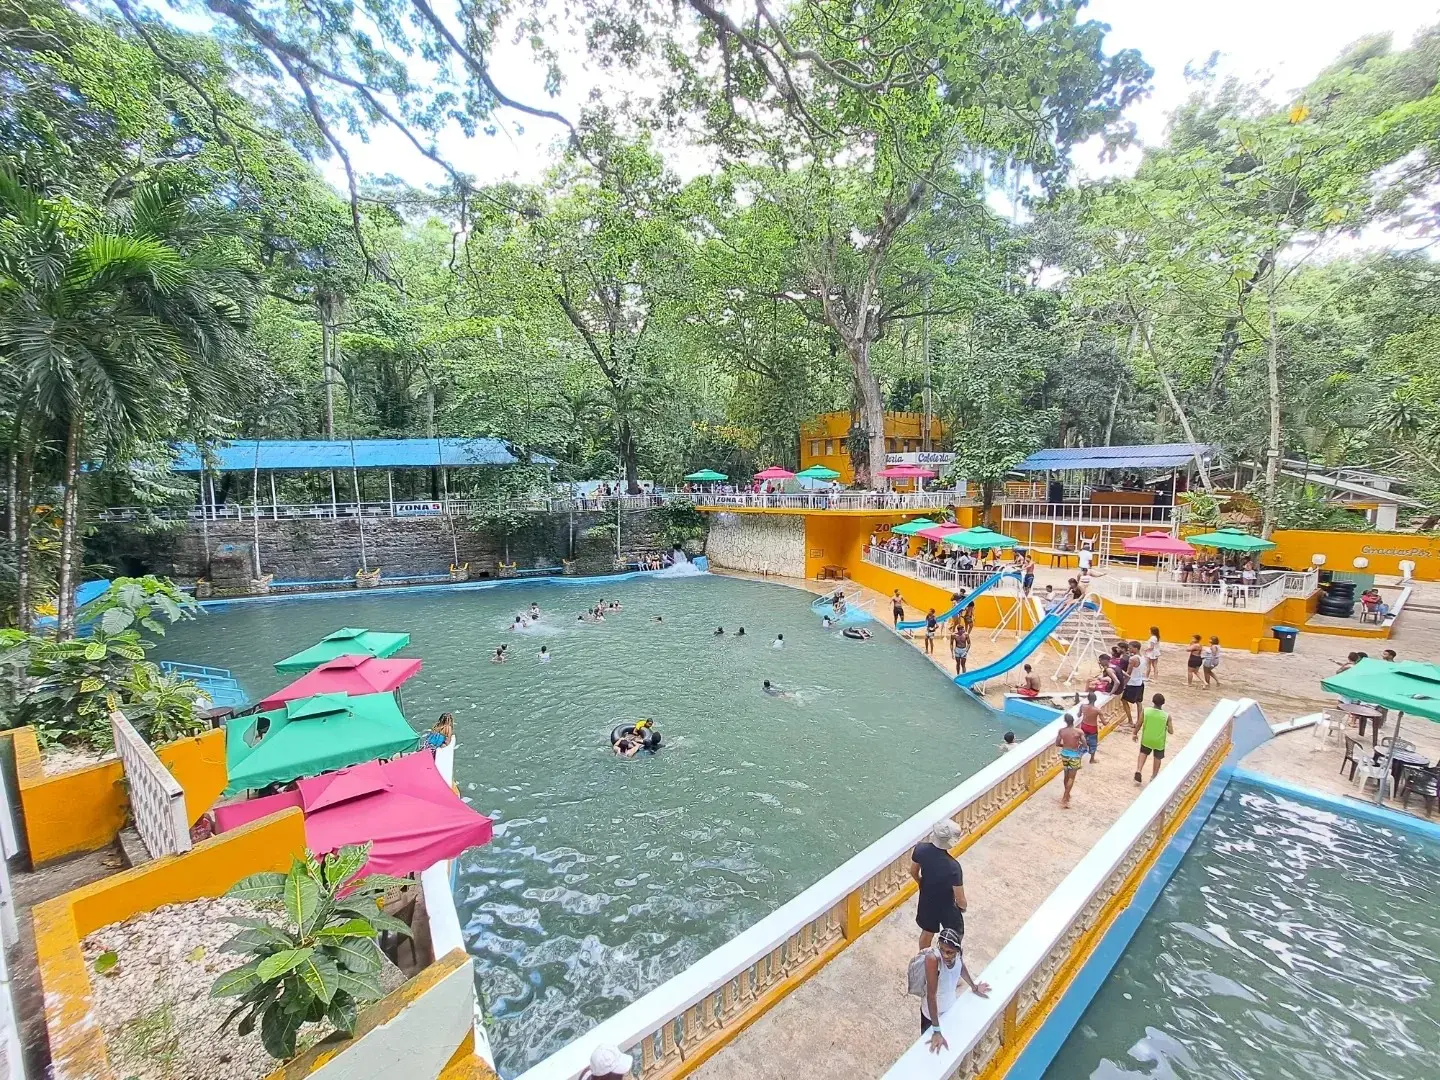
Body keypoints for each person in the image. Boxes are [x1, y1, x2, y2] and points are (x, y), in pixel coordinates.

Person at [919, 927, 990, 1054]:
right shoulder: (933, 960)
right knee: (929, 1050)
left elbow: (961, 967)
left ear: (957, 951)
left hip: (949, 1006)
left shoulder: (958, 955)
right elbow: (931, 996)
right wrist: (936, 1030)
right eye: (942, 950)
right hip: (931, 1016)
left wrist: (974, 987)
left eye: (950, 952)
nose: (945, 955)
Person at [909, 820, 967, 950]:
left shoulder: (920, 849)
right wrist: (962, 908)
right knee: (954, 935)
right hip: (947, 904)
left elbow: (913, 872)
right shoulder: (953, 867)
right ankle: (947, 957)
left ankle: (924, 957)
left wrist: (921, 883)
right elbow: (960, 899)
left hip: (927, 899)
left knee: (927, 931)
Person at [1134, 692, 1174, 784]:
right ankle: (1153, 776)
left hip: (1147, 738)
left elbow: (1139, 724)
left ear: (1153, 701)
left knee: (1143, 753)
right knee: (1157, 758)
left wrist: (1134, 733)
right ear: (1163, 703)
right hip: (1159, 741)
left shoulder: (1146, 711)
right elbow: (1171, 731)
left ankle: (1139, 770)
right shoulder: (1166, 716)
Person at [1056, 712, 1085, 809]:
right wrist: (1079, 745)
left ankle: (1067, 794)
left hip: (1064, 754)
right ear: (1073, 721)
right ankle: (1065, 797)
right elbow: (1084, 744)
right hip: (1074, 755)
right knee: (1071, 778)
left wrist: (1065, 746)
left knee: (1066, 775)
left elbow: (1057, 743)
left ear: (1065, 721)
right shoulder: (1079, 732)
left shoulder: (1061, 731)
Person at [1122, 641, 1145, 729]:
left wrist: (1123, 684)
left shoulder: (1133, 659)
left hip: (1132, 683)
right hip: (1140, 682)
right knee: (1139, 703)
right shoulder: (1142, 657)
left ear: (1136, 648)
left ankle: (1130, 721)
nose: (1129, 649)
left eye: (1131, 648)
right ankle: (1139, 721)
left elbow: (1128, 673)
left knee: (1124, 700)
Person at [1078, 691, 1102, 763]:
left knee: (1082, 742)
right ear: (1095, 699)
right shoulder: (1097, 710)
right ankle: (1092, 759)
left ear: (1088, 699)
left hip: (1083, 726)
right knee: (1093, 744)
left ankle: (1078, 761)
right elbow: (1104, 722)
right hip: (1092, 728)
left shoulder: (1082, 706)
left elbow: (1078, 715)